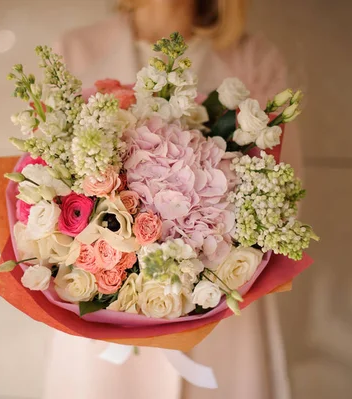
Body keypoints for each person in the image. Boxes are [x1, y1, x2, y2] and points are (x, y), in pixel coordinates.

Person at [43, 1, 303, 398]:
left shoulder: (253, 58)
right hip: (101, 319)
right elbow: (44, 195)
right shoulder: (75, 49)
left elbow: (284, 197)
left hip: (221, 313)